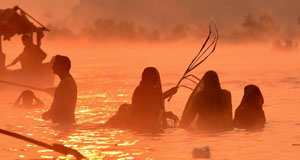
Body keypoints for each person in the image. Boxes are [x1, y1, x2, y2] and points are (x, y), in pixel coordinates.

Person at [126, 67, 178, 131]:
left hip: (137, 126)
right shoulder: (143, 90)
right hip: (144, 126)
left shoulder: (139, 89)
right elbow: (151, 105)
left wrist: (170, 92)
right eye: (154, 78)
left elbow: (156, 99)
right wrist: (165, 114)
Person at [42, 55, 77, 124]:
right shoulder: (66, 81)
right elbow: (64, 96)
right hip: (63, 124)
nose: (52, 66)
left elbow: (62, 104)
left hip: (63, 124)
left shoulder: (66, 83)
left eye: (55, 64)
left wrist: (49, 113)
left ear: (62, 66)